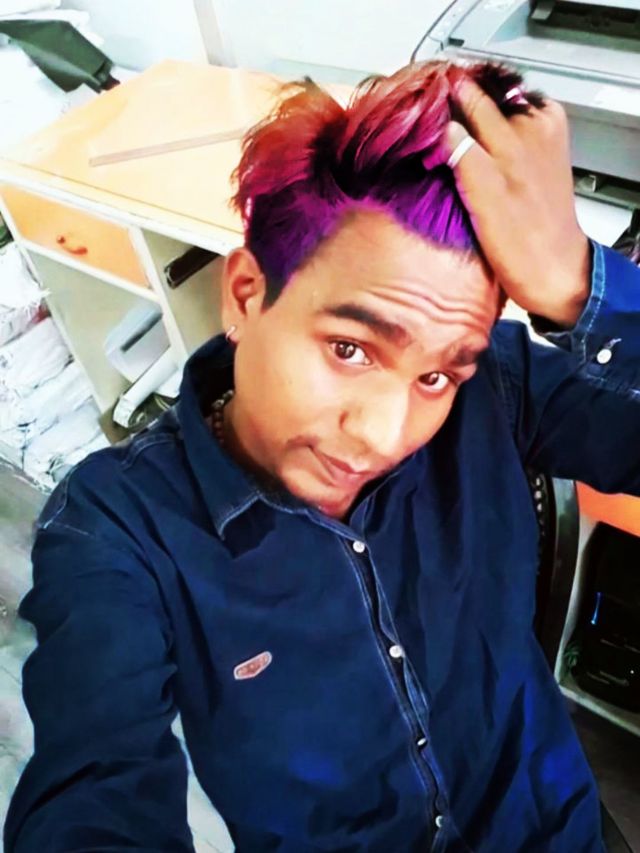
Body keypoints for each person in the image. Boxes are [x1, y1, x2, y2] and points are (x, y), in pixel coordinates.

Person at [4, 59, 640, 852]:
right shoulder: (118, 531)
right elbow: (92, 787)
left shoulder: (497, 388)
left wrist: (585, 286)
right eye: (350, 348)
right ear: (244, 294)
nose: (383, 434)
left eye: (436, 376)